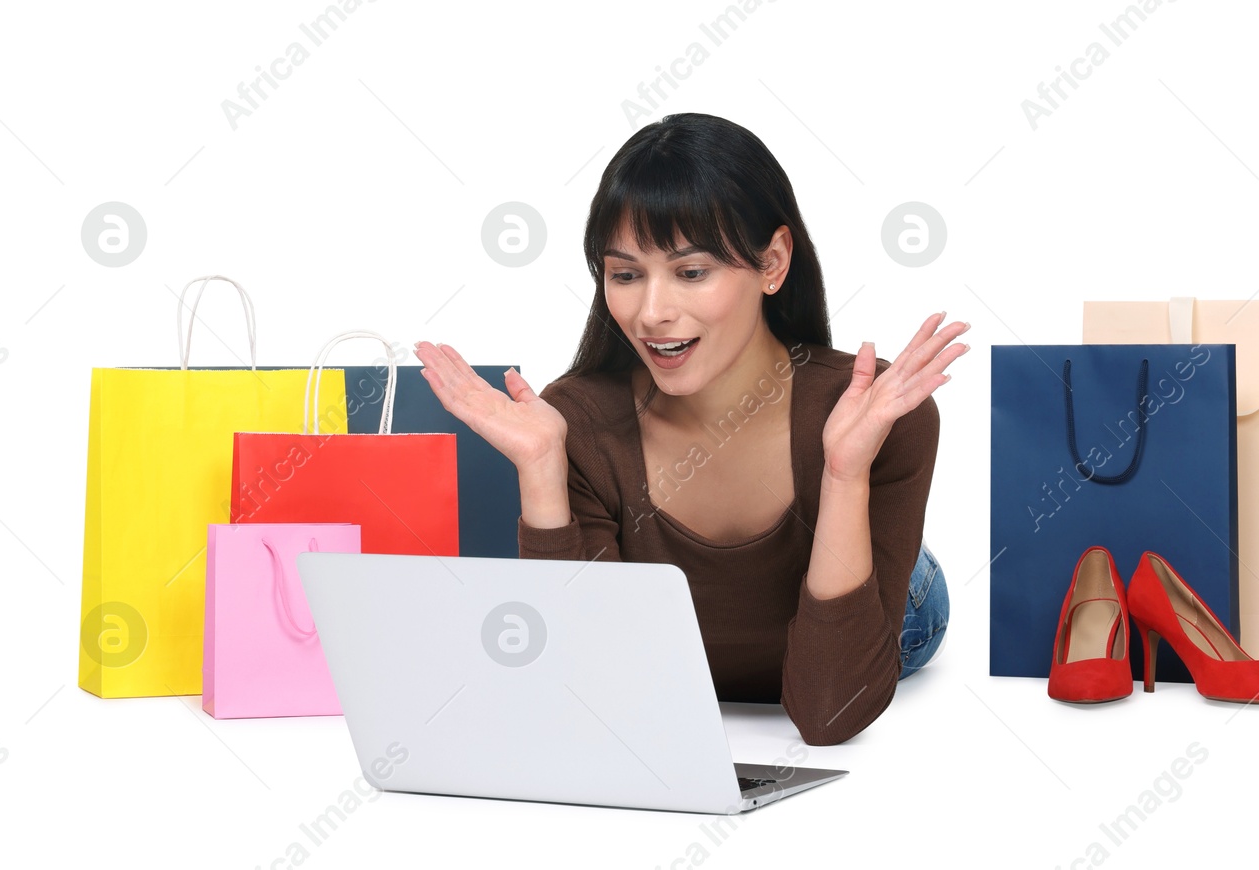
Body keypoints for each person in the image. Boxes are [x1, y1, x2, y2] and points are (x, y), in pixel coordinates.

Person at [413, 113, 967, 745]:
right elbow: (574, 694)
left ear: (773, 262)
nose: (652, 313)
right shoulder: (581, 424)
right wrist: (544, 472)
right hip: (709, 634)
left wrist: (844, 474)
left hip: (892, 610)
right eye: (625, 275)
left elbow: (828, 714)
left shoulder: (872, 414)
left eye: (691, 272)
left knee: (900, 585)